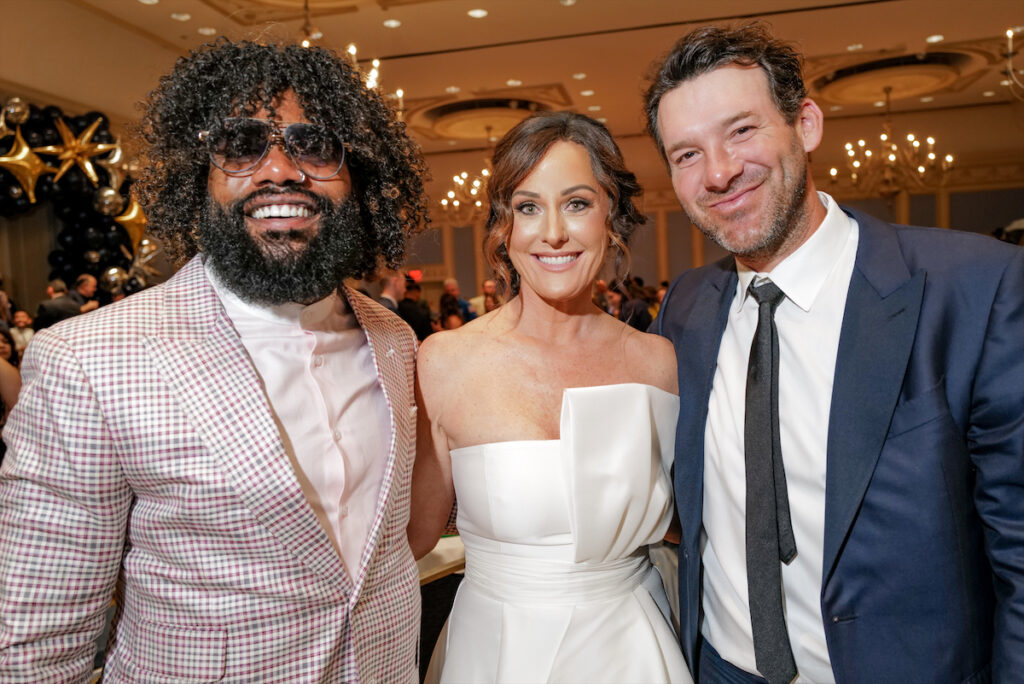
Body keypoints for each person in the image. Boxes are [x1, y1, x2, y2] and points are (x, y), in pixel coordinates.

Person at [0, 39, 429, 682]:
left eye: (314, 145)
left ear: (358, 175)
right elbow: (37, 638)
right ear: (197, 178)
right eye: (241, 145)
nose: (281, 170)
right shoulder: (88, 360)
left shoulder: (395, 340)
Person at [645, 23, 1024, 683]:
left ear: (807, 124)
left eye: (742, 131)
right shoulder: (686, 308)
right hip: (724, 667)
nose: (719, 172)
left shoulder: (974, 288)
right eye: (686, 154)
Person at [410, 111, 690, 683]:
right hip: (494, 652)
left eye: (578, 203)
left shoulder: (660, 363)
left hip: (632, 649)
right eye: (528, 206)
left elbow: (698, 521)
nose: (553, 232)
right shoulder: (444, 361)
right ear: (502, 226)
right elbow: (410, 537)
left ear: (612, 214)